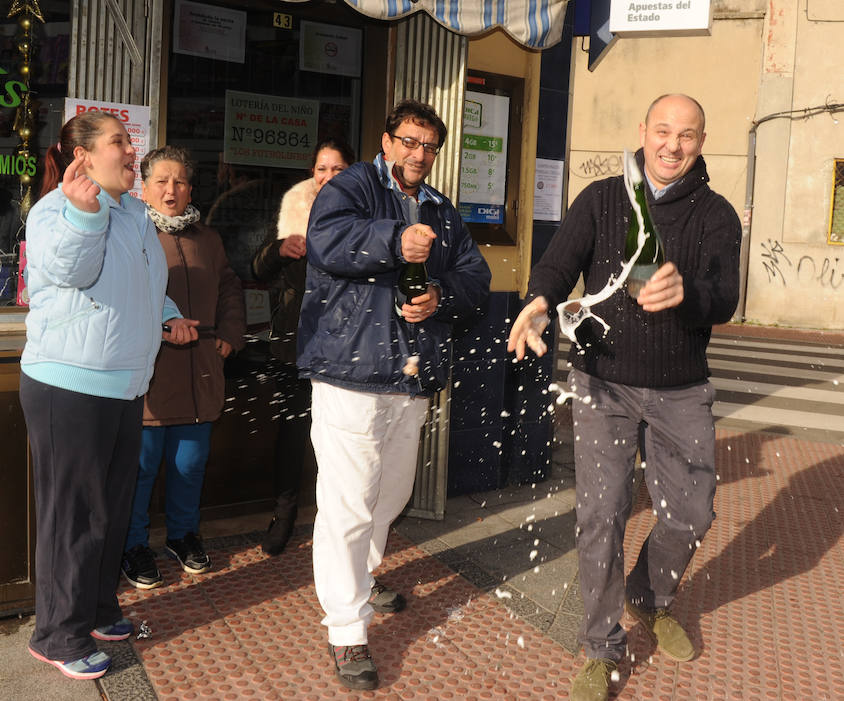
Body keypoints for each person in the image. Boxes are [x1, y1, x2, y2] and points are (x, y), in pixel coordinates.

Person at [508, 94, 742, 701]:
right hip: (602, 381)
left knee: (692, 513)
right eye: (662, 131)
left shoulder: (716, 215)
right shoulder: (603, 199)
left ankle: (648, 595)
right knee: (601, 515)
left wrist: (684, 294)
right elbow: (559, 266)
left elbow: (723, 299)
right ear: (643, 131)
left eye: (686, 135)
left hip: (681, 388)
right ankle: (600, 646)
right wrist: (538, 301)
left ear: (701, 141)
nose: (672, 145)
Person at [298, 99, 491, 690]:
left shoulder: (440, 208)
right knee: (349, 502)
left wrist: (440, 295)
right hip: (350, 370)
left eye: (429, 146)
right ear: (386, 142)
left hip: (411, 374)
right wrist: (394, 240)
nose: (418, 154)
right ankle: (347, 630)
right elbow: (326, 240)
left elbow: (474, 278)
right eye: (408, 141)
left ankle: (363, 574)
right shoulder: (352, 186)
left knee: (392, 493)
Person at [20, 112, 199, 680]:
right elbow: (68, 272)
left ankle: (96, 608)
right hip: (68, 384)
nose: (130, 152)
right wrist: (82, 213)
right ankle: (57, 633)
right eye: (119, 142)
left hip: (123, 383)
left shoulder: (135, 216)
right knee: (72, 517)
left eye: (130, 141)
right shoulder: (57, 210)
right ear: (82, 156)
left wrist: (168, 317)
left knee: (110, 511)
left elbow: (143, 287)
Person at [120, 146, 246, 589]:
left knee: (190, 464)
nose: (171, 191)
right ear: (145, 187)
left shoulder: (207, 239)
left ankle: (183, 535)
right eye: (161, 181)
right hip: (149, 371)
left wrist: (230, 335)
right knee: (141, 468)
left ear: (191, 188)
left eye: (180, 182)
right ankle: (133, 545)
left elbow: (230, 286)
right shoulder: (131, 233)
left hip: (202, 370)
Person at [251, 138, 355, 556]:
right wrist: (279, 249)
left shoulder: (364, 213)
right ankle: (285, 514)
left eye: (337, 168)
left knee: (343, 440)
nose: (328, 176)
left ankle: (339, 522)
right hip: (295, 345)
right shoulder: (294, 208)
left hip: (346, 347)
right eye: (321, 168)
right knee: (293, 434)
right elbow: (256, 268)